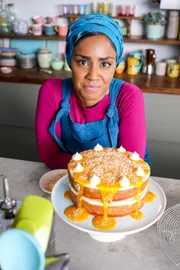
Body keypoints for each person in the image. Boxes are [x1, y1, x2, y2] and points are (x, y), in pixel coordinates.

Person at [35, 13, 151, 170]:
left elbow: (129, 165)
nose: (93, 75)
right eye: (83, 62)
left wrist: (81, 166)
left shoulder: (128, 96)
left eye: (104, 64)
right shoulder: (52, 92)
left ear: (115, 64)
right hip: (72, 182)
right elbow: (49, 156)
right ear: (70, 60)